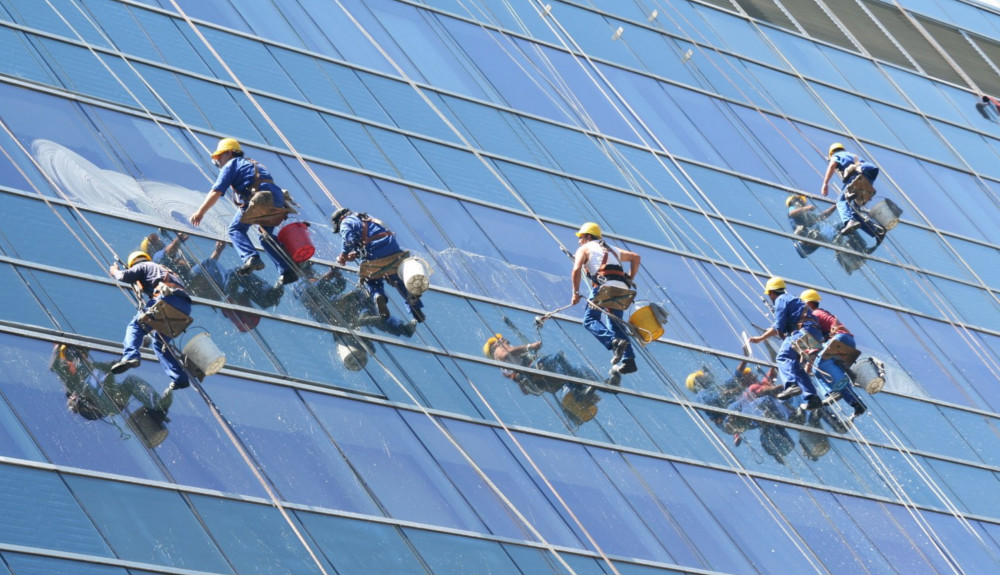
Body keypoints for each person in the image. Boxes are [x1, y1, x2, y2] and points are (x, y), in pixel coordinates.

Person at [189, 138, 298, 286]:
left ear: (229, 153)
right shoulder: (253, 163)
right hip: (275, 197)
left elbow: (216, 191)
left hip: (260, 197)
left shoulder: (232, 164)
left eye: (219, 157)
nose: (218, 162)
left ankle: (250, 258)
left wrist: (200, 212)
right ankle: (287, 271)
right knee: (266, 237)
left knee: (235, 229)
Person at [50, 344, 173, 447]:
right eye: (78, 357)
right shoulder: (73, 382)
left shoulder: (98, 367)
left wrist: (139, 347)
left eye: (83, 355)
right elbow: (61, 373)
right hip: (97, 403)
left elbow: (120, 362)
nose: (83, 358)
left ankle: (158, 403)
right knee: (89, 382)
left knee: (130, 380)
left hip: (114, 398)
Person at [108, 251, 191, 391]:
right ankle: (180, 378)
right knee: (158, 343)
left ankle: (130, 356)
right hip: (183, 307)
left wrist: (115, 271)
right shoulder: (164, 270)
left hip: (166, 300)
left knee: (135, 326)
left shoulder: (144, 265)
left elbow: (123, 276)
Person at [570, 222, 640, 382]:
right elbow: (636, 257)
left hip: (605, 287)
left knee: (589, 320)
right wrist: (629, 278)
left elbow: (576, 269)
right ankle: (629, 361)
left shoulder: (584, 248)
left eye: (580, 237)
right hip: (622, 290)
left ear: (588, 236)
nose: (579, 241)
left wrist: (575, 293)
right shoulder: (611, 249)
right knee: (615, 324)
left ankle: (613, 342)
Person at [331, 207, 426, 324]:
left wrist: (343, 256)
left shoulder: (346, 222)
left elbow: (349, 240)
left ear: (340, 218)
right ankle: (415, 308)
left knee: (371, 280)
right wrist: (356, 253)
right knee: (399, 280)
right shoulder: (367, 218)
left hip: (375, 254)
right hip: (393, 250)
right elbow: (373, 237)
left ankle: (378, 295)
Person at [748, 277, 824, 411]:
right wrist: (764, 337)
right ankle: (812, 397)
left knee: (782, 357)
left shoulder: (780, 300)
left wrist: (762, 337)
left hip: (802, 331)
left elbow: (779, 326)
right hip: (814, 333)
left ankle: (791, 385)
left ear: (771, 293)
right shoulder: (793, 299)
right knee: (795, 365)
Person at [294, 264, 417, 338]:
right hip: (326, 313)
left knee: (367, 299)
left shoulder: (316, 280)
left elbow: (338, 288)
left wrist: (339, 277)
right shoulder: (299, 283)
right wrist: (329, 275)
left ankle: (400, 328)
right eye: (308, 269)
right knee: (358, 296)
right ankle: (365, 316)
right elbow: (308, 293)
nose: (312, 271)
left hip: (337, 309)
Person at [800, 289, 867, 419]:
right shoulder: (821, 314)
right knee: (836, 376)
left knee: (818, 368)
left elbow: (815, 341)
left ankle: (832, 392)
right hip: (845, 341)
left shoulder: (815, 314)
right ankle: (857, 404)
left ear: (808, 303)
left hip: (839, 339)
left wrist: (808, 364)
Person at [483, 333, 595, 395]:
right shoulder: (498, 352)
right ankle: (577, 389)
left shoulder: (508, 360)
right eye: (498, 339)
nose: (502, 338)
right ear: (493, 347)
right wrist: (530, 347)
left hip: (532, 372)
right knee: (558, 357)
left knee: (580, 369)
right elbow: (504, 355)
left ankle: (592, 386)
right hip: (531, 371)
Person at [819, 142, 885, 242]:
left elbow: (832, 164)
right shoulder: (851, 155)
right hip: (867, 177)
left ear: (832, 153)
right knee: (854, 212)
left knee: (841, 201)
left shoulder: (837, 155)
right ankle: (876, 231)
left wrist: (825, 183)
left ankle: (849, 222)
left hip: (856, 177)